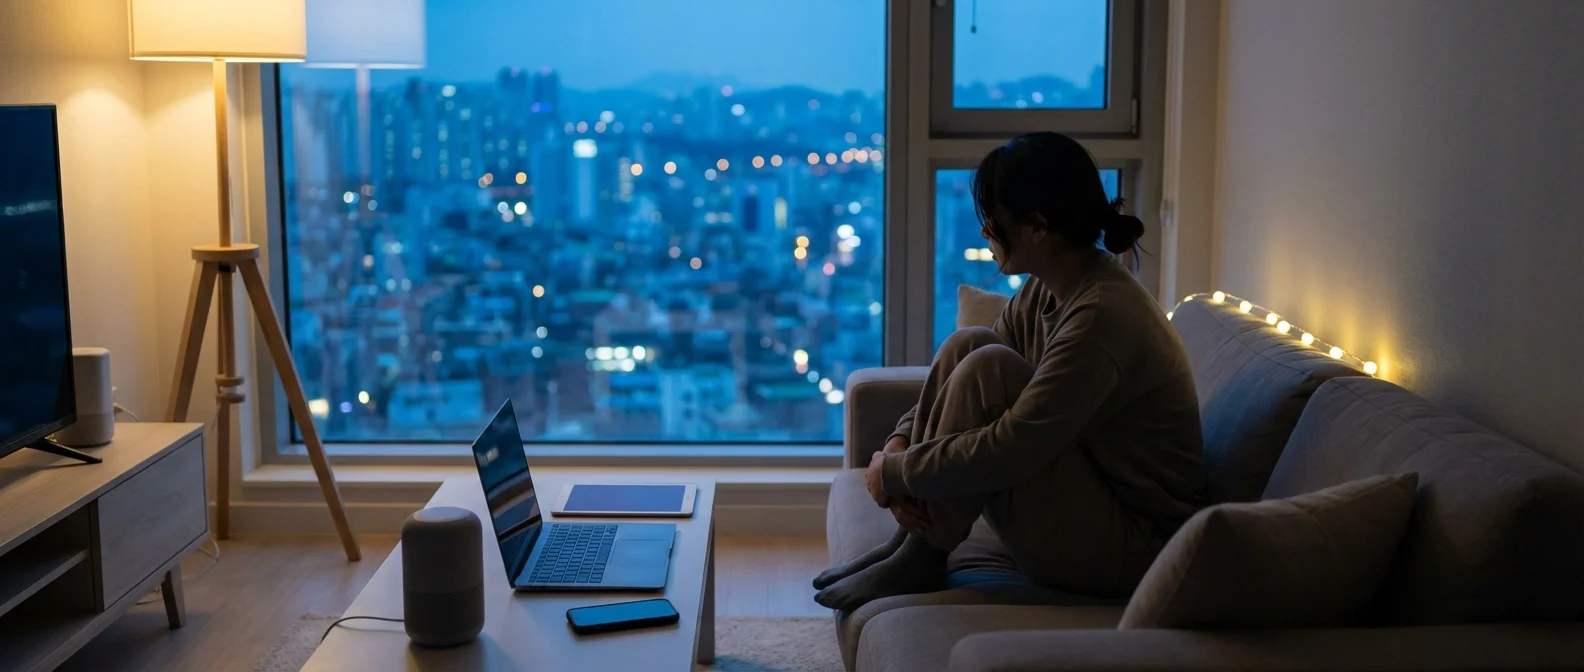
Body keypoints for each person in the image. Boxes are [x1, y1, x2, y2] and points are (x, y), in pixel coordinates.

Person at [812, 132, 1206, 612]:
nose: (984, 231)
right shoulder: (1049, 288)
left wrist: (897, 473)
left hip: (1135, 548)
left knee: (989, 363)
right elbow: (969, 371)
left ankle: (924, 554)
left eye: (993, 219)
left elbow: (1014, 446)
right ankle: (911, 544)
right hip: (1093, 502)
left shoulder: (1101, 317)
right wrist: (897, 444)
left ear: (1037, 228)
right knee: (971, 344)